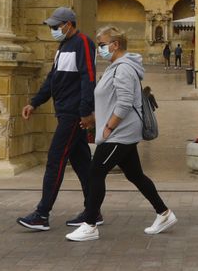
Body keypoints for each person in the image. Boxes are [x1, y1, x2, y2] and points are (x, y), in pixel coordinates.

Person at [66, 28, 176, 242]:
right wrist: (94, 119)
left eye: (102, 44)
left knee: (95, 172)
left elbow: (125, 103)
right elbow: (112, 100)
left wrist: (108, 127)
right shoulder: (115, 67)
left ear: (115, 44)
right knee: (135, 175)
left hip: (120, 134)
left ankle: (90, 224)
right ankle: (164, 214)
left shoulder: (123, 68)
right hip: (121, 131)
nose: (100, 49)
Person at [17, 7, 99, 232]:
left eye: (56, 26)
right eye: (52, 27)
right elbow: (52, 79)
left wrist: (85, 111)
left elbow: (88, 78)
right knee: (83, 164)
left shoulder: (83, 43)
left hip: (72, 114)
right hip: (65, 111)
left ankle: (42, 214)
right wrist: (34, 102)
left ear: (69, 25)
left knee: (55, 160)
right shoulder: (63, 47)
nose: (53, 30)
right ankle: (93, 211)